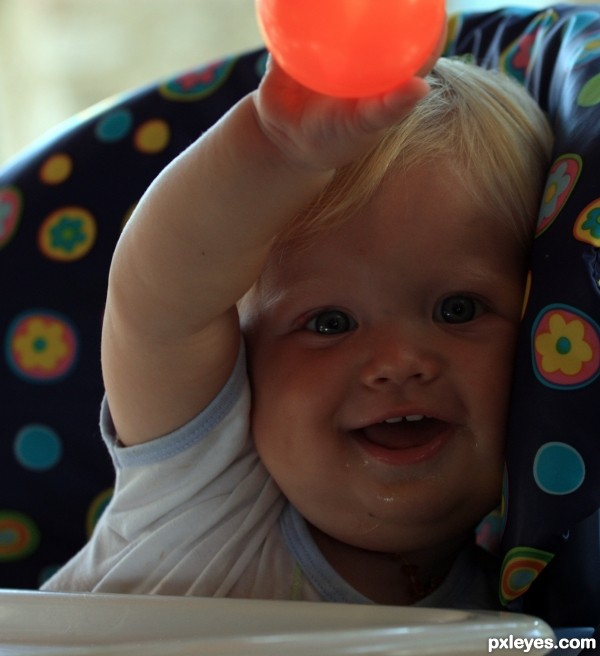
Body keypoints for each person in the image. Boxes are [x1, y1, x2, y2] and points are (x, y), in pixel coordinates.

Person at [41, 51, 553, 608]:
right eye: (330, 324)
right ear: (245, 354)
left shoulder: (530, 604)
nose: (400, 359)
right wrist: (275, 147)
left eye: (458, 309)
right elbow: (157, 297)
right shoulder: (203, 488)